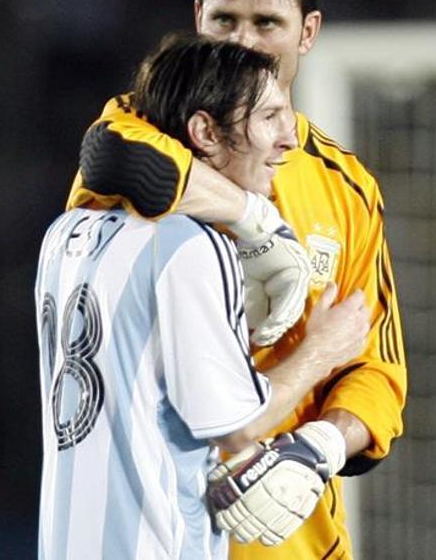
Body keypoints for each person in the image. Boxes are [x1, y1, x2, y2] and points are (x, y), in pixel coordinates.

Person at [64, 0, 406, 559]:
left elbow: (378, 371)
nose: (243, 41)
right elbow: (112, 163)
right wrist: (257, 222)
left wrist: (320, 446)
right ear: (198, 20)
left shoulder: (347, 189)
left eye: (266, 22)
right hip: (159, 526)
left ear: (308, 32)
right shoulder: (138, 129)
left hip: (292, 538)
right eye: (225, 19)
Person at [36, 35, 370, 559]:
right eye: (268, 118)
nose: (288, 139)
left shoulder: (65, 235)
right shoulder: (189, 246)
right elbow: (239, 430)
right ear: (205, 132)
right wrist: (321, 352)